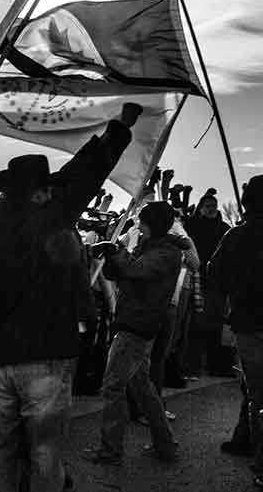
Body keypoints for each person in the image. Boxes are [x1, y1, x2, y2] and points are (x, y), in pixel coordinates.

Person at [0, 103, 141, 492]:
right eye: (48, 186)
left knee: (0, 450)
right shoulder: (48, 218)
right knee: (44, 452)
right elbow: (86, 173)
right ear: (38, 192)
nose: (54, 190)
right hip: (44, 355)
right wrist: (120, 128)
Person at [85, 202, 184, 466]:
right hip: (133, 320)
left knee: (113, 386)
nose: (138, 226)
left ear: (153, 224)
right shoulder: (151, 247)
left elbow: (137, 271)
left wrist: (116, 251)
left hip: (138, 325)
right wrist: (110, 255)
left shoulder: (167, 252)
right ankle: (166, 446)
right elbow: (121, 273)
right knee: (143, 388)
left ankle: (110, 450)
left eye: (143, 222)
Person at [211, 175, 263, 484]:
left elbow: (215, 273)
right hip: (249, 322)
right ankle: (244, 439)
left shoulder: (237, 236)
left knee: (258, 393)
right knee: (255, 388)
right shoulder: (238, 235)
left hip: (248, 323)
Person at [186, 188, 233, 377]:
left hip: (218, 284)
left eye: (214, 205)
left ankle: (218, 365)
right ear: (201, 208)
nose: (211, 208)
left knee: (217, 325)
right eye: (207, 206)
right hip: (197, 280)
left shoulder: (224, 229)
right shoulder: (193, 226)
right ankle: (193, 364)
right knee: (196, 325)